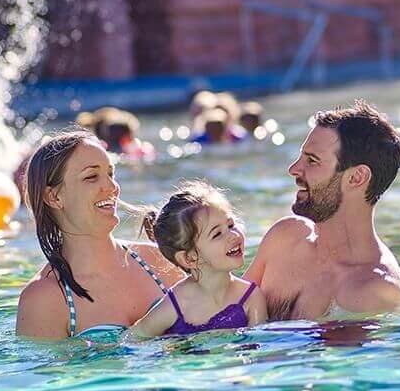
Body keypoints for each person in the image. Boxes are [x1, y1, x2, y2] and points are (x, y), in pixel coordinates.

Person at [245, 100, 400, 320]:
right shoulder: (284, 239)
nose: (294, 169)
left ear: (356, 177)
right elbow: (220, 308)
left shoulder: (374, 292)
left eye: (312, 161)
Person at [15, 130, 183, 340]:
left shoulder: (160, 261)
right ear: (54, 196)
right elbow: (48, 372)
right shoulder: (43, 299)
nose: (112, 187)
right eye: (91, 177)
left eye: (111, 174)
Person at [130, 180, 266, 337]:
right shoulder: (177, 304)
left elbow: (259, 348)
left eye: (230, 225)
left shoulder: (250, 297)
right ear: (190, 258)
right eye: (217, 234)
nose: (234, 235)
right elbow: (132, 338)